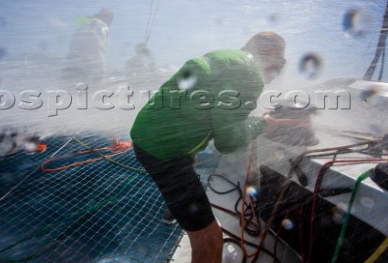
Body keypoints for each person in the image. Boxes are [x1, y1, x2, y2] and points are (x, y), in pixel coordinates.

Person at [130, 31, 305, 263]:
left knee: (189, 170)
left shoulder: (226, 57)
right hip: (164, 151)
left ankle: (177, 210)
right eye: (281, 62)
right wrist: (261, 124)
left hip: (146, 132)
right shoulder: (250, 75)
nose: (279, 71)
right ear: (271, 55)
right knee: (212, 239)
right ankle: (189, 216)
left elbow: (196, 105)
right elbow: (228, 142)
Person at [61, 7, 114, 87]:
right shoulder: (101, 27)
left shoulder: (84, 26)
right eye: (111, 21)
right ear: (107, 19)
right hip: (86, 70)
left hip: (71, 66)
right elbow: (96, 50)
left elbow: (73, 47)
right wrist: (99, 78)